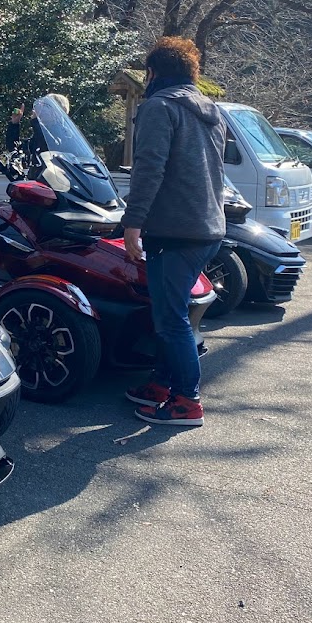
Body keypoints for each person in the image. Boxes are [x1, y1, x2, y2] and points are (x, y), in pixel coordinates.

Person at [120, 37, 225, 427]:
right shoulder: (211, 111)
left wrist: (132, 223)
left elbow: (149, 168)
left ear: (152, 73)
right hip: (208, 227)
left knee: (170, 318)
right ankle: (161, 384)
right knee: (170, 312)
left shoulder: (159, 107)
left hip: (176, 229)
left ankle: (187, 402)